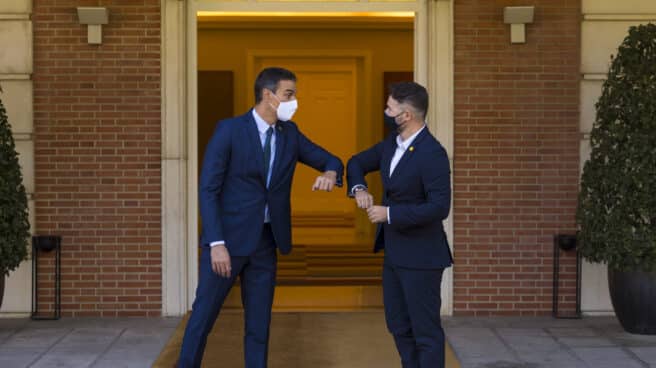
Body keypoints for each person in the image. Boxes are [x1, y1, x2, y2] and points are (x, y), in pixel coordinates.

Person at [178, 67, 344, 368]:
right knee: (203, 317)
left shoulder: (290, 134)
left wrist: (331, 172)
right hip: (225, 244)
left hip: (266, 244)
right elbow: (208, 189)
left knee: (259, 326)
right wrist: (216, 242)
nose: (294, 102)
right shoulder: (229, 130)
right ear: (268, 96)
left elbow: (330, 159)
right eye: (289, 95)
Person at [347, 81, 453, 368]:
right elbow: (356, 162)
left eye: (390, 108)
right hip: (394, 254)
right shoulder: (389, 145)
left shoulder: (432, 153)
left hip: (422, 257)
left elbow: (439, 207)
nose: (386, 111)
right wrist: (359, 188)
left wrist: (389, 214)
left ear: (406, 115)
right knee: (399, 326)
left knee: (425, 333)